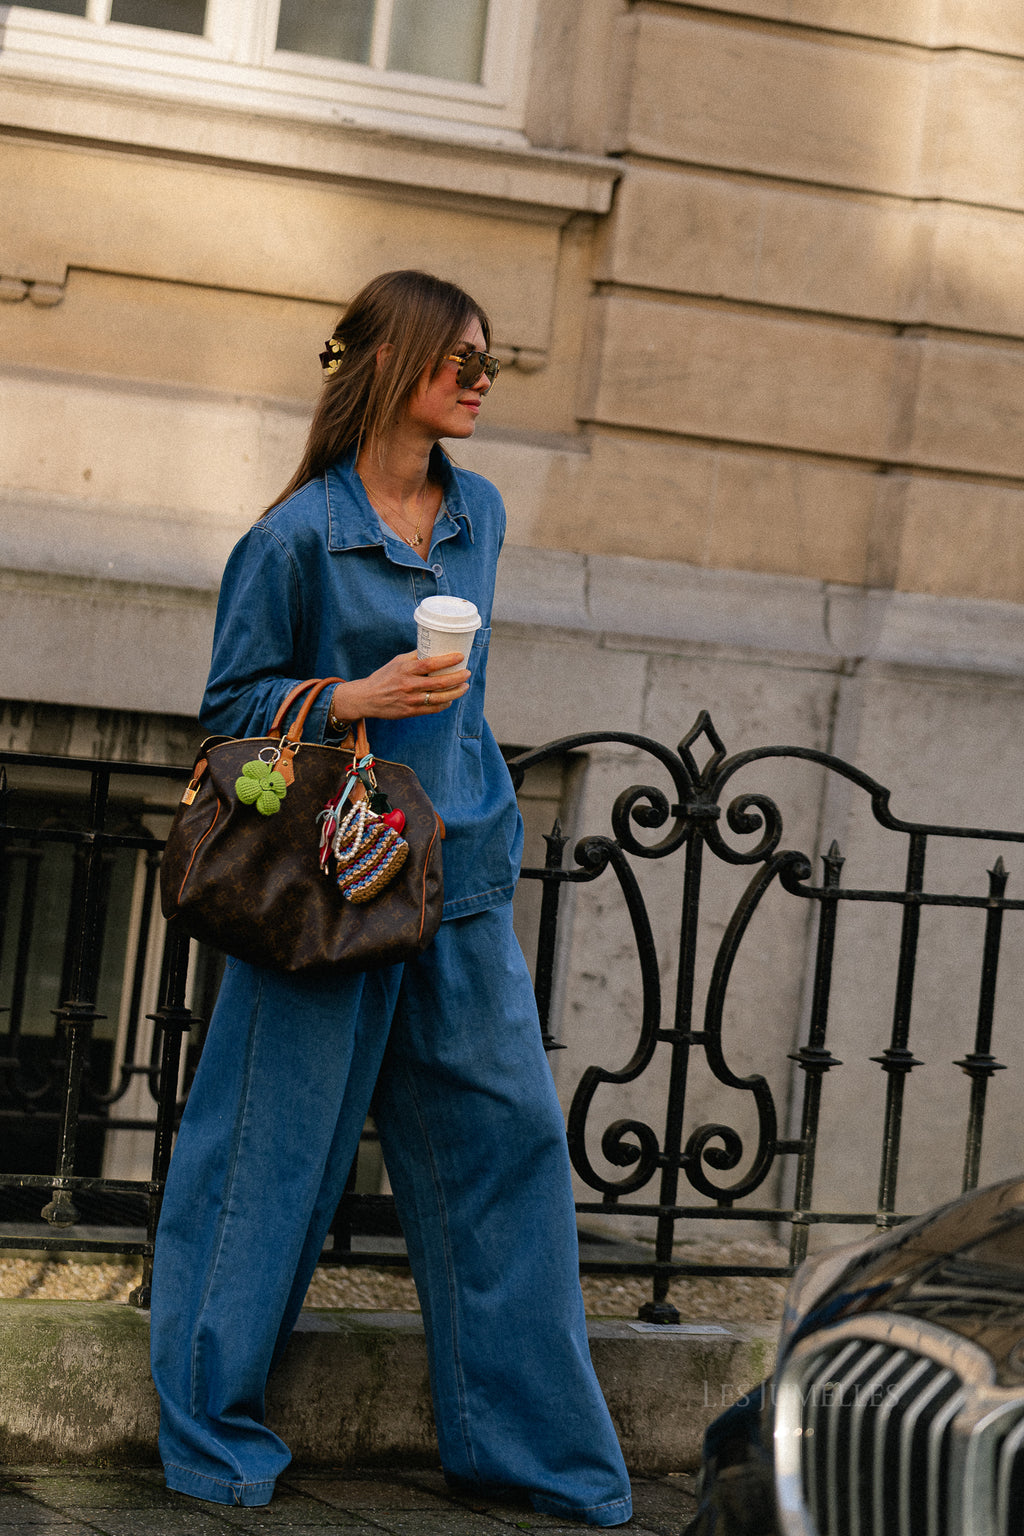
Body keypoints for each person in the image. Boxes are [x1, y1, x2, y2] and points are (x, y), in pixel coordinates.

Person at [149, 270, 633, 1527]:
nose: (479, 382)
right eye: (458, 361)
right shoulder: (294, 538)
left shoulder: (479, 515)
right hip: (323, 888)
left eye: (491, 364)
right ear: (391, 365)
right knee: (266, 1163)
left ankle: (537, 1459)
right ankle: (212, 1438)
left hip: (458, 877)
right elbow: (227, 716)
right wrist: (352, 697)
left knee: (507, 1156)